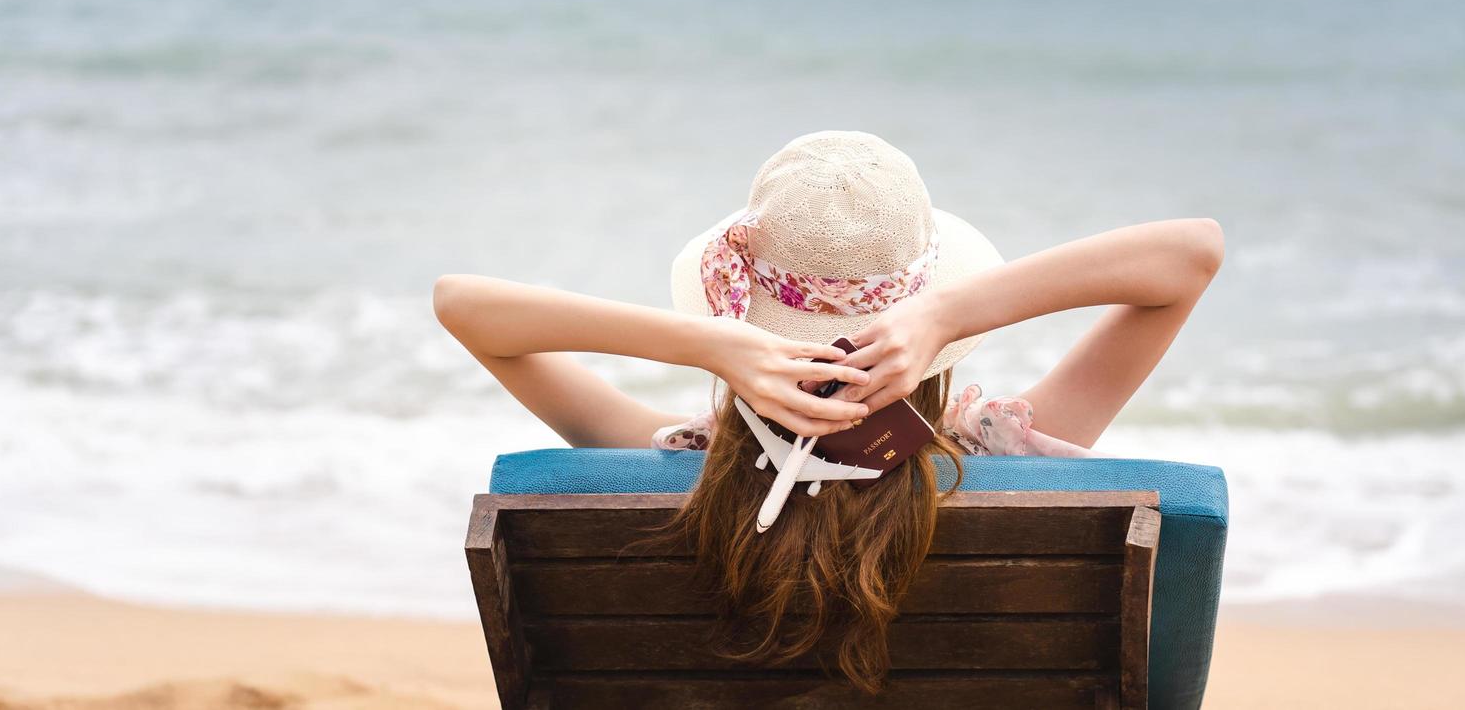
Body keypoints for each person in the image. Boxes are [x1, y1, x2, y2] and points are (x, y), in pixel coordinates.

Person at [433, 130, 1222, 690]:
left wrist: (706, 343)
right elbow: (1191, 256)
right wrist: (946, 314)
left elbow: (464, 307)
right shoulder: (1011, 465)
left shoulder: (674, 469)